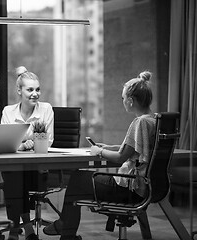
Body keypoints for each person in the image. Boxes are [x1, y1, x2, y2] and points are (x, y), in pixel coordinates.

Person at [43, 71, 156, 240]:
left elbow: (120, 158)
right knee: (80, 180)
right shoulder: (153, 120)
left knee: (76, 180)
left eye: (123, 98)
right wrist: (110, 146)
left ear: (131, 101)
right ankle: (65, 227)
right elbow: (135, 149)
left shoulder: (138, 122)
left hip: (129, 189)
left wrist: (100, 151)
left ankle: (65, 230)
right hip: (147, 187)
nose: (123, 101)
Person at [1, 66, 54, 240]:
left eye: (37, 89)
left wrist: (29, 145)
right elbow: (6, 142)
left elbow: (48, 140)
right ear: (19, 90)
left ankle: (15, 229)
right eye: (30, 89)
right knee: (14, 175)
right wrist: (23, 146)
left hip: (38, 168)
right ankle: (26, 227)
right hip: (15, 167)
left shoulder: (45, 110)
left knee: (15, 177)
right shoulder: (8, 112)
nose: (35, 94)